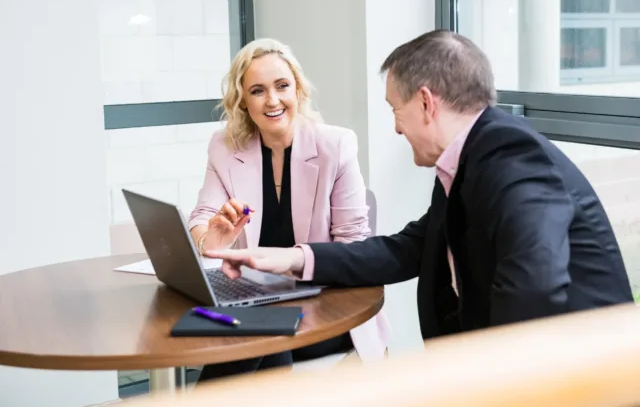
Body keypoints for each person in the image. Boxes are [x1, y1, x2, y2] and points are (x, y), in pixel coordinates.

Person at [205, 30, 634, 342]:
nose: (395, 128)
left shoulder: (513, 156)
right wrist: (290, 258)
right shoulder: (466, 161)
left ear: (426, 103)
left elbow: (533, 288)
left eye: (396, 110)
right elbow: (404, 250)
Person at [188, 38, 390, 382]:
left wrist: (296, 268)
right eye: (257, 90)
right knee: (244, 331)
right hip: (256, 304)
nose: (272, 100)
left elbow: (354, 249)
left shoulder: (335, 146)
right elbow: (202, 215)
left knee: (255, 337)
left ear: (297, 89)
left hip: (324, 306)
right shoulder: (225, 147)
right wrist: (211, 237)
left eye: (282, 86)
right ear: (242, 101)